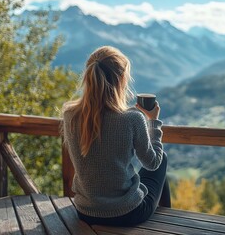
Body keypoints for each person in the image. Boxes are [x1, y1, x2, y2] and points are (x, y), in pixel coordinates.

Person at [62, 45, 170, 226]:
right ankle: (167, 220)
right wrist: (153, 122)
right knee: (162, 159)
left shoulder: (70, 115)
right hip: (127, 214)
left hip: (85, 211)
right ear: (121, 80)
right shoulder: (132, 118)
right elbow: (152, 163)